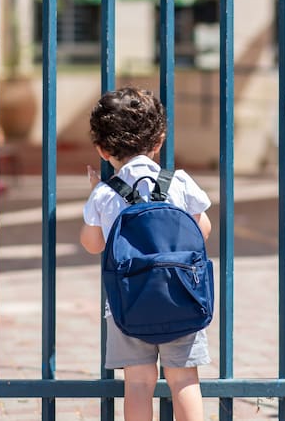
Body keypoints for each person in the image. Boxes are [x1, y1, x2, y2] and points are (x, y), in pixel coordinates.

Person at [80, 86, 212, 421]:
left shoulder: (105, 195)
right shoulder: (179, 182)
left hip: (127, 304)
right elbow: (203, 230)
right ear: (159, 141)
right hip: (182, 297)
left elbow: (93, 244)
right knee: (184, 380)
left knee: (138, 382)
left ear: (102, 149)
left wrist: (95, 196)